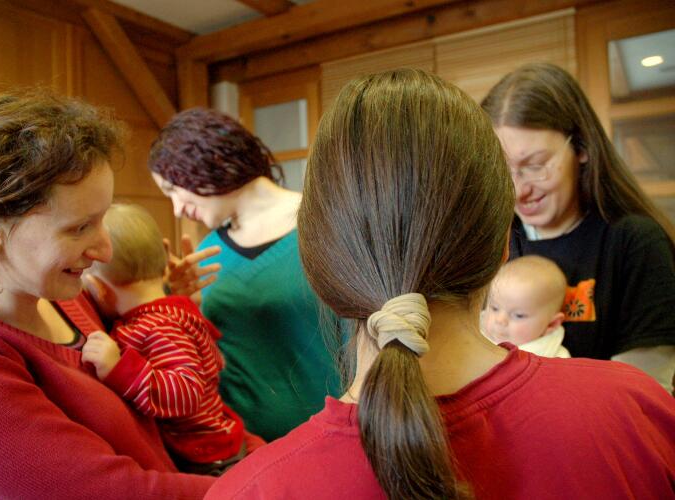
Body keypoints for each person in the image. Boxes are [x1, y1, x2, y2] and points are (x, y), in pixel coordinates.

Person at [205, 69, 675, 500]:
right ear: (502, 246)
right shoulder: (637, 413)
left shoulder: (247, 492)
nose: (525, 187)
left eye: (534, 164)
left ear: (318, 266)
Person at [0, 92, 215, 498]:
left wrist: (161, 297)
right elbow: (113, 492)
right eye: (79, 228)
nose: (105, 251)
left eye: (102, 220)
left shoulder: (62, 293)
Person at [147, 108, 341, 441]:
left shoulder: (327, 225)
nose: (177, 209)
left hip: (329, 435)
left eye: (173, 189)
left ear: (207, 160)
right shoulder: (208, 252)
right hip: (237, 445)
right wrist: (179, 303)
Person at [481, 63, 675, 389]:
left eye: (536, 165)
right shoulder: (492, 240)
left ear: (581, 148)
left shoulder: (633, 242)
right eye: (503, 169)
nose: (519, 189)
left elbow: (644, 392)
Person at [80, 203, 263, 475]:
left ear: (99, 290)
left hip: (208, 459)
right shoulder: (174, 312)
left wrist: (120, 369)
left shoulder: (156, 326)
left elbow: (187, 393)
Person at [482, 255, 570, 358]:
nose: (500, 320)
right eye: (494, 308)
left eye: (518, 315)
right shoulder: (473, 334)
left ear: (551, 324)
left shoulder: (557, 359)